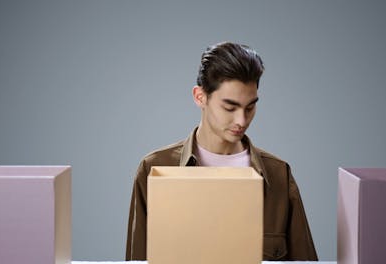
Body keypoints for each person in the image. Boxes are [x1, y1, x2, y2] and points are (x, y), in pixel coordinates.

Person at [126, 42, 318, 261]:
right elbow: (137, 260)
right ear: (200, 97)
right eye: (230, 107)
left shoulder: (279, 175)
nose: (241, 120)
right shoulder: (153, 169)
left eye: (250, 107)